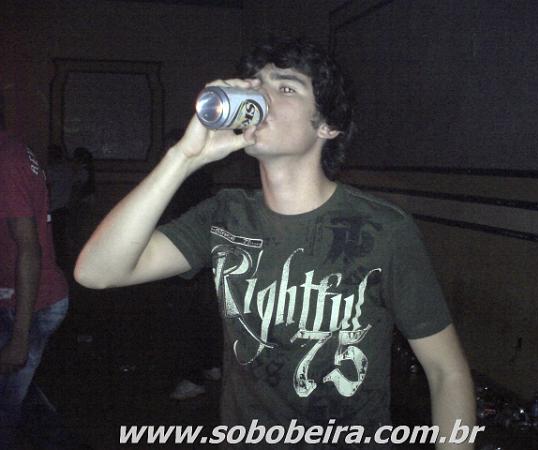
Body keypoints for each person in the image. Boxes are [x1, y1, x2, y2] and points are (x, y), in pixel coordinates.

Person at [75, 36, 476, 448]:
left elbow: (446, 371)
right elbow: (97, 271)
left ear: (327, 125)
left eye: (285, 87)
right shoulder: (224, 214)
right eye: (256, 84)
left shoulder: (383, 229)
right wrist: (184, 158)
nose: (262, 96)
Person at [0, 127, 69, 448]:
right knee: (16, 396)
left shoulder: (7, 158)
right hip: (21, 298)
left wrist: (20, 338)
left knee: (6, 406)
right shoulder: (14, 150)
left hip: (29, 303)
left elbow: (29, 248)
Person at [160, 129, 222, 401]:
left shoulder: (185, 176)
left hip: (187, 255)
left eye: (170, 148)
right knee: (203, 314)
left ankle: (194, 376)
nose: (167, 153)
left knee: (187, 318)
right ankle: (210, 365)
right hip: (200, 254)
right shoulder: (199, 175)